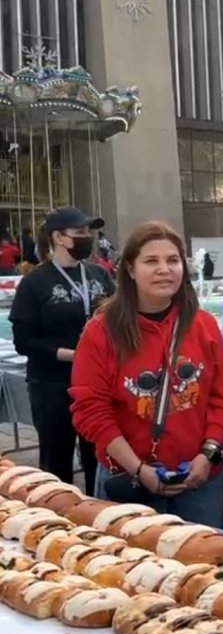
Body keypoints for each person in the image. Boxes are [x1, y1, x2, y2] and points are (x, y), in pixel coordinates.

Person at [70, 221, 223, 526]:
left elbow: (222, 398)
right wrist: (137, 468)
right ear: (130, 269)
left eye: (172, 260)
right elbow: (91, 411)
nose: (164, 269)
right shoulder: (101, 331)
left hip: (199, 480)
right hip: (129, 477)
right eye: (151, 261)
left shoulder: (204, 325)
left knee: (204, 555)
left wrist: (208, 453)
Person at [10, 208, 114, 494]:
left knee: (99, 456)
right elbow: (23, 341)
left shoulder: (98, 274)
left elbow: (118, 319)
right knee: (56, 460)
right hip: (52, 384)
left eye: (88, 232)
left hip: (96, 383)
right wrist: (70, 355)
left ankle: (98, 512)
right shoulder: (35, 282)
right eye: (80, 232)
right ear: (58, 237)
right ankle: (55, 512)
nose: (87, 237)